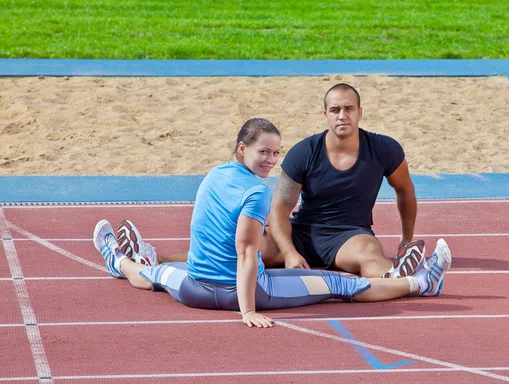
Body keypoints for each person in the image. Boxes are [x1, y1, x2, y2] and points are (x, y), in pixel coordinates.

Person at [93, 118, 452, 328]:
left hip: (194, 289)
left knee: (154, 273)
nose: (271, 160)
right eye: (263, 151)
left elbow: (202, 233)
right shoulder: (255, 191)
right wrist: (248, 310)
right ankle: (421, 283)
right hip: (244, 292)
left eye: (276, 152)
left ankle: (117, 259)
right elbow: (247, 252)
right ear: (242, 150)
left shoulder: (215, 175)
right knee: (344, 284)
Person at [260, 83, 422, 279]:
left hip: (350, 237)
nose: (342, 115)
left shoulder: (384, 149)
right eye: (335, 110)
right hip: (303, 233)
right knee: (248, 247)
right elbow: (279, 209)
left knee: (370, 256)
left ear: (360, 112)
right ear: (326, 114)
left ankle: (410, 280)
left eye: (349, 109)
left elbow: (405, 190)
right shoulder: (303, 152)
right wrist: (289, 253)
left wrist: (406, 240)